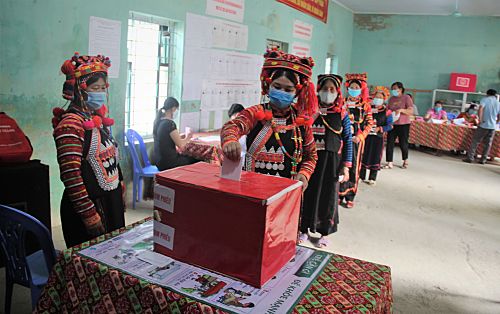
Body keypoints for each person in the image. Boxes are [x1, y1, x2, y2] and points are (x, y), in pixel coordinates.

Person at [52, 53, 125, 247]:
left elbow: (110, 156)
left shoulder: (95, 119)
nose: (100, 93)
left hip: (109, 203)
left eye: (103, 88)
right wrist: (89, 215)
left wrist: (120, 186)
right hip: (88, 208)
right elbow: (71, 176)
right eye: (95, 88)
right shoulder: (70, 126)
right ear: (80, 89)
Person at [221, 48, 318, 193]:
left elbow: (311, 156)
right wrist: (230, 140)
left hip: (286, 194)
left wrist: (304, 174)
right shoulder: (255, 113)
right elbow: (233, 126)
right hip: (252, 191)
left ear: (297, 92)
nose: (282, 93)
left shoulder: (301, 122)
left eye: (288, 90)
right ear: (268, 85)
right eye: (277, 87)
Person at [301, 74, 352, 248]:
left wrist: (346, 166)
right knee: (307, 194)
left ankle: (324, 233)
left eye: (331, 89)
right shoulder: (310, 111)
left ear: (337, 92)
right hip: (310, 161)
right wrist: (314, 114)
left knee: (328, 197)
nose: (327, 93)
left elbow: (348, 140)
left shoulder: (342, 114)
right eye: (324, 89)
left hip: (331, 163)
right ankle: (303, 230)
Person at [338, 73, 374, 208]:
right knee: (341, 165)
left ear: (361, 89)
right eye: (351, 87)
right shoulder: (342, 102)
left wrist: (360, 136)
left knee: (353, 168)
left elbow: (369, 123)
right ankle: (339, 193)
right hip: (342, 139)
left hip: (356, 142)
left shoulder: (365, 106)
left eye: (356, 87)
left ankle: (350, 195)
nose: (353, 89)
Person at [153, 97, 199, 171]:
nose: (177, 112)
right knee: (197, 160)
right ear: (173, 109)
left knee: (186, 157)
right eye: (177, 109)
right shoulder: (170, 124)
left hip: (159, 162)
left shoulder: (159, 122)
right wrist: (188, 137)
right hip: (169, 163)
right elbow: (181, 145)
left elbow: (167, 138)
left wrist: (182, 137)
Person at [360, 86, 394, 185]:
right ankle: (361, 176)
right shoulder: (368, 108)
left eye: (380, 97)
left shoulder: (387, 111)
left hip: (378, 138)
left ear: (384, 99)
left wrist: (380, 129)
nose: (377, 99)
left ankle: (372, 177)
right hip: (367, 136)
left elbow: (390, 125)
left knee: (375, 156)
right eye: (376, 97)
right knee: (364, 154)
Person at [464, 89, 500, 164]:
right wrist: (496, 122)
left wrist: (480, 120)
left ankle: (470, 158)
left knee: (475, 141)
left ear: (487, 94)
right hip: (492, 126)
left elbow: (480, 109)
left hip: (483, 124)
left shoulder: (485, 99)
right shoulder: (498, 102)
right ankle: (483, 160)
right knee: (488, 144)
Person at [385, 81, 413, 169]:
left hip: (403, 124)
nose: (393, 90)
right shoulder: (391, 99)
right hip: (392, 124)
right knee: (390, 143)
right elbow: (387, 110)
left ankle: (405, 160)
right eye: (392, 89)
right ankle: (389, 162)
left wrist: (401, 110)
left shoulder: (406, 98)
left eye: (395, 89)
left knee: (403, 143)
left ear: (400, 89)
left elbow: (410, 111)